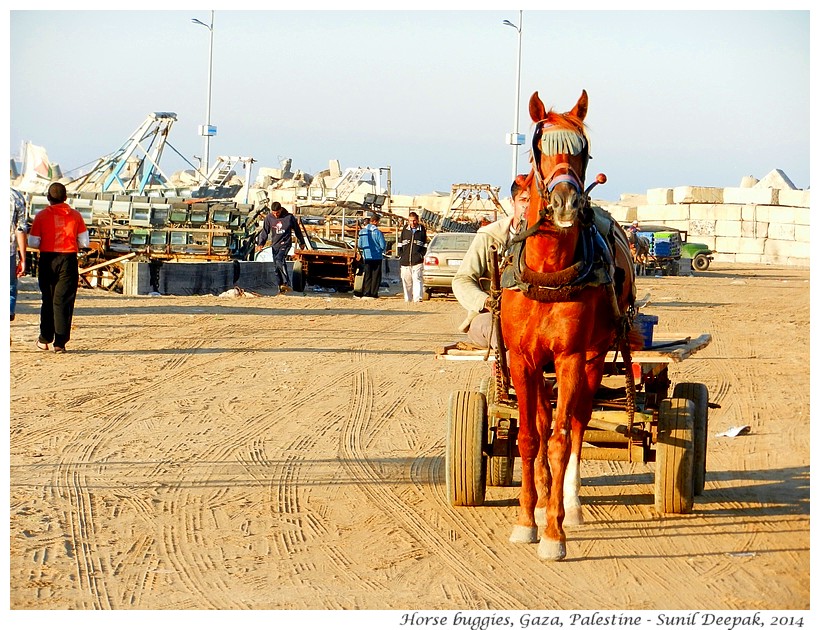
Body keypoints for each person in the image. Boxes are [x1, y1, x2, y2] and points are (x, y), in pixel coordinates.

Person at [452, 174, 530, 348]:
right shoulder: (490, 236)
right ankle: (509, 367)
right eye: (523, 200)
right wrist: (486, 301)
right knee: (499, 332)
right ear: (513, 202)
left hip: (532, 318)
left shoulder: (548, 241)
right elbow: (462, 280)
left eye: (534, 200)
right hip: (491, 315)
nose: (528, 205)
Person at [27, 182, 89, 353]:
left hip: (48, 259)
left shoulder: (41, 216)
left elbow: (32, 242)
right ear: (66, 198)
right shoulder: (76, 215)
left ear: (48, 198)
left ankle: (44, 338)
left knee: (48, 298)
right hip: (68, 259)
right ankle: (60, 343)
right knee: (63, 300)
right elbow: (84, 242)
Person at [256, 201, 306, 292]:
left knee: (280, 259)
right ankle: (280, 286)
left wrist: (301, 242)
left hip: (285, 243)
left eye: (277, 213)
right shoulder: (269, 218)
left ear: (281, 209)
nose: (276, 215)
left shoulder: (289, 217)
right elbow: (264, 232)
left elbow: (297, 230)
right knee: (276, 267)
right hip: (275, 244)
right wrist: (261, 244)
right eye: (274, 213)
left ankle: (287, 283)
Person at [397, 211, 427, 303]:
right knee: (406, 281)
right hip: (405, 261)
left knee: (417, 279)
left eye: (414, 221)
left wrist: (420, 255)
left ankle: (417, 299)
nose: (412, 223)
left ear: (417, 220)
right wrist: (401, 255)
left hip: (417, 261)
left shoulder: (422, 230)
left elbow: (425, 245)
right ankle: (408, 299)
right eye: (410, 221)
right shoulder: (405, 230)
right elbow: (400, 244)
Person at [356, 212, 386, 300]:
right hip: (377, 256)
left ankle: (366, 292)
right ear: (375, 222)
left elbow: (360, 245)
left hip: (367, 256)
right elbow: (382, 245)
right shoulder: (377, 232)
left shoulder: (362, 232)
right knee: (376, 275)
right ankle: (373, 293)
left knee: (367, 275)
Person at [10, 189, 28, 322]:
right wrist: (23, 258)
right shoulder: (15, 196)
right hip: (8, 251)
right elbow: (20, 229)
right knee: (9, 288)